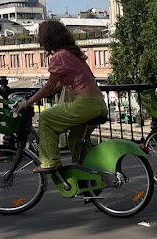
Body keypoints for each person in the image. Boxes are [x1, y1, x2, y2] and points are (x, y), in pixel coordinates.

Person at [13, 20, 107, 172]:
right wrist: (44, 93)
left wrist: (28, 102)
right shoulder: (73, 53)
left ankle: (51, 161)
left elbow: (50, 85)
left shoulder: (59, 56)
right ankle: (92, 175)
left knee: (46, 118)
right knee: (76, 141)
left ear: (47, 38)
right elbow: (58, 84)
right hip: (99, 104)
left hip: (85, 105)